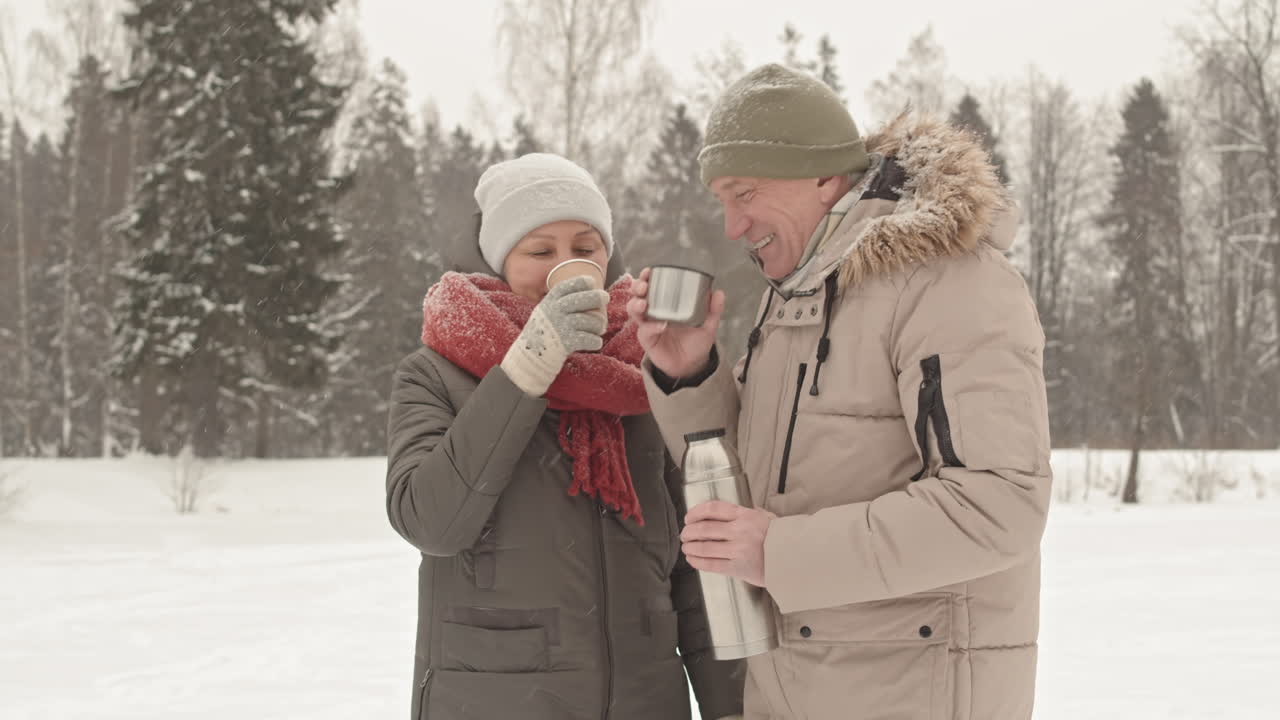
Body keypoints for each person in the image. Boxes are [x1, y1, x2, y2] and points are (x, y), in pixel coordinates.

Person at [627, 64, 1052, 720]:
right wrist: (689, 376)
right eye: (722, 200)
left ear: (823, 178)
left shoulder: (951, 284)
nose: (732, 226)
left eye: (744, 193)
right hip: (792, 692)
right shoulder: (799, 298)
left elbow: (997, 504)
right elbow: (751, 497)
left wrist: (780, 552)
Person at [385, 152, 744, 720]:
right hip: (496, 700)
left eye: (585, 247)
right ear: (500, 259)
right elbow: (430, 521)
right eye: (540, 251)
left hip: (644, 699)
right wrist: (530, 363)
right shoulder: (436, 373)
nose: (568, 263)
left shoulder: (643, 370)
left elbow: (697, 562)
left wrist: (734, 707)